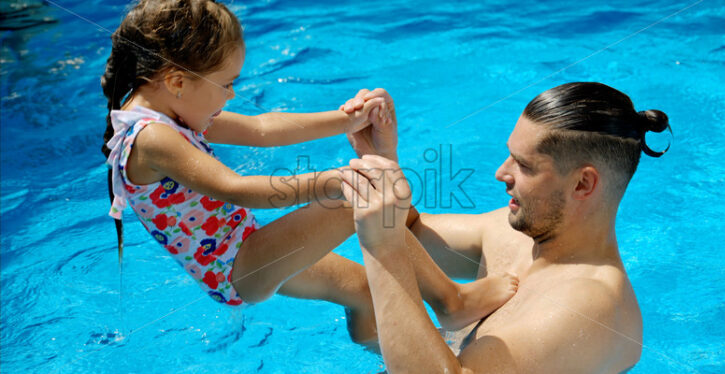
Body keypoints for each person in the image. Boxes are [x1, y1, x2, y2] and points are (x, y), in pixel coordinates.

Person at [101, 0, 516, 344]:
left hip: (246, 246)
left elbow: (264, 129)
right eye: (226, 83)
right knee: (362, 194)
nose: (231, 95)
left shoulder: (175, 110)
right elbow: (237, 188)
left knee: (365, 291)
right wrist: (335, 181)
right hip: (240, 266)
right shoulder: (153, 137)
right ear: (176, 80)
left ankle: (390, 364)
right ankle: (451, 300)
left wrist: (346, 120)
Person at [340, 82, 670, 373]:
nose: (501, 172)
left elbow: (389, 242)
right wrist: (379, 159)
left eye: (524, 165)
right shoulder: (512, 232)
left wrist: (381, 243)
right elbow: (409, 233)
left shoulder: (589, 307)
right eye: (510, 155)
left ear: (583, 184)